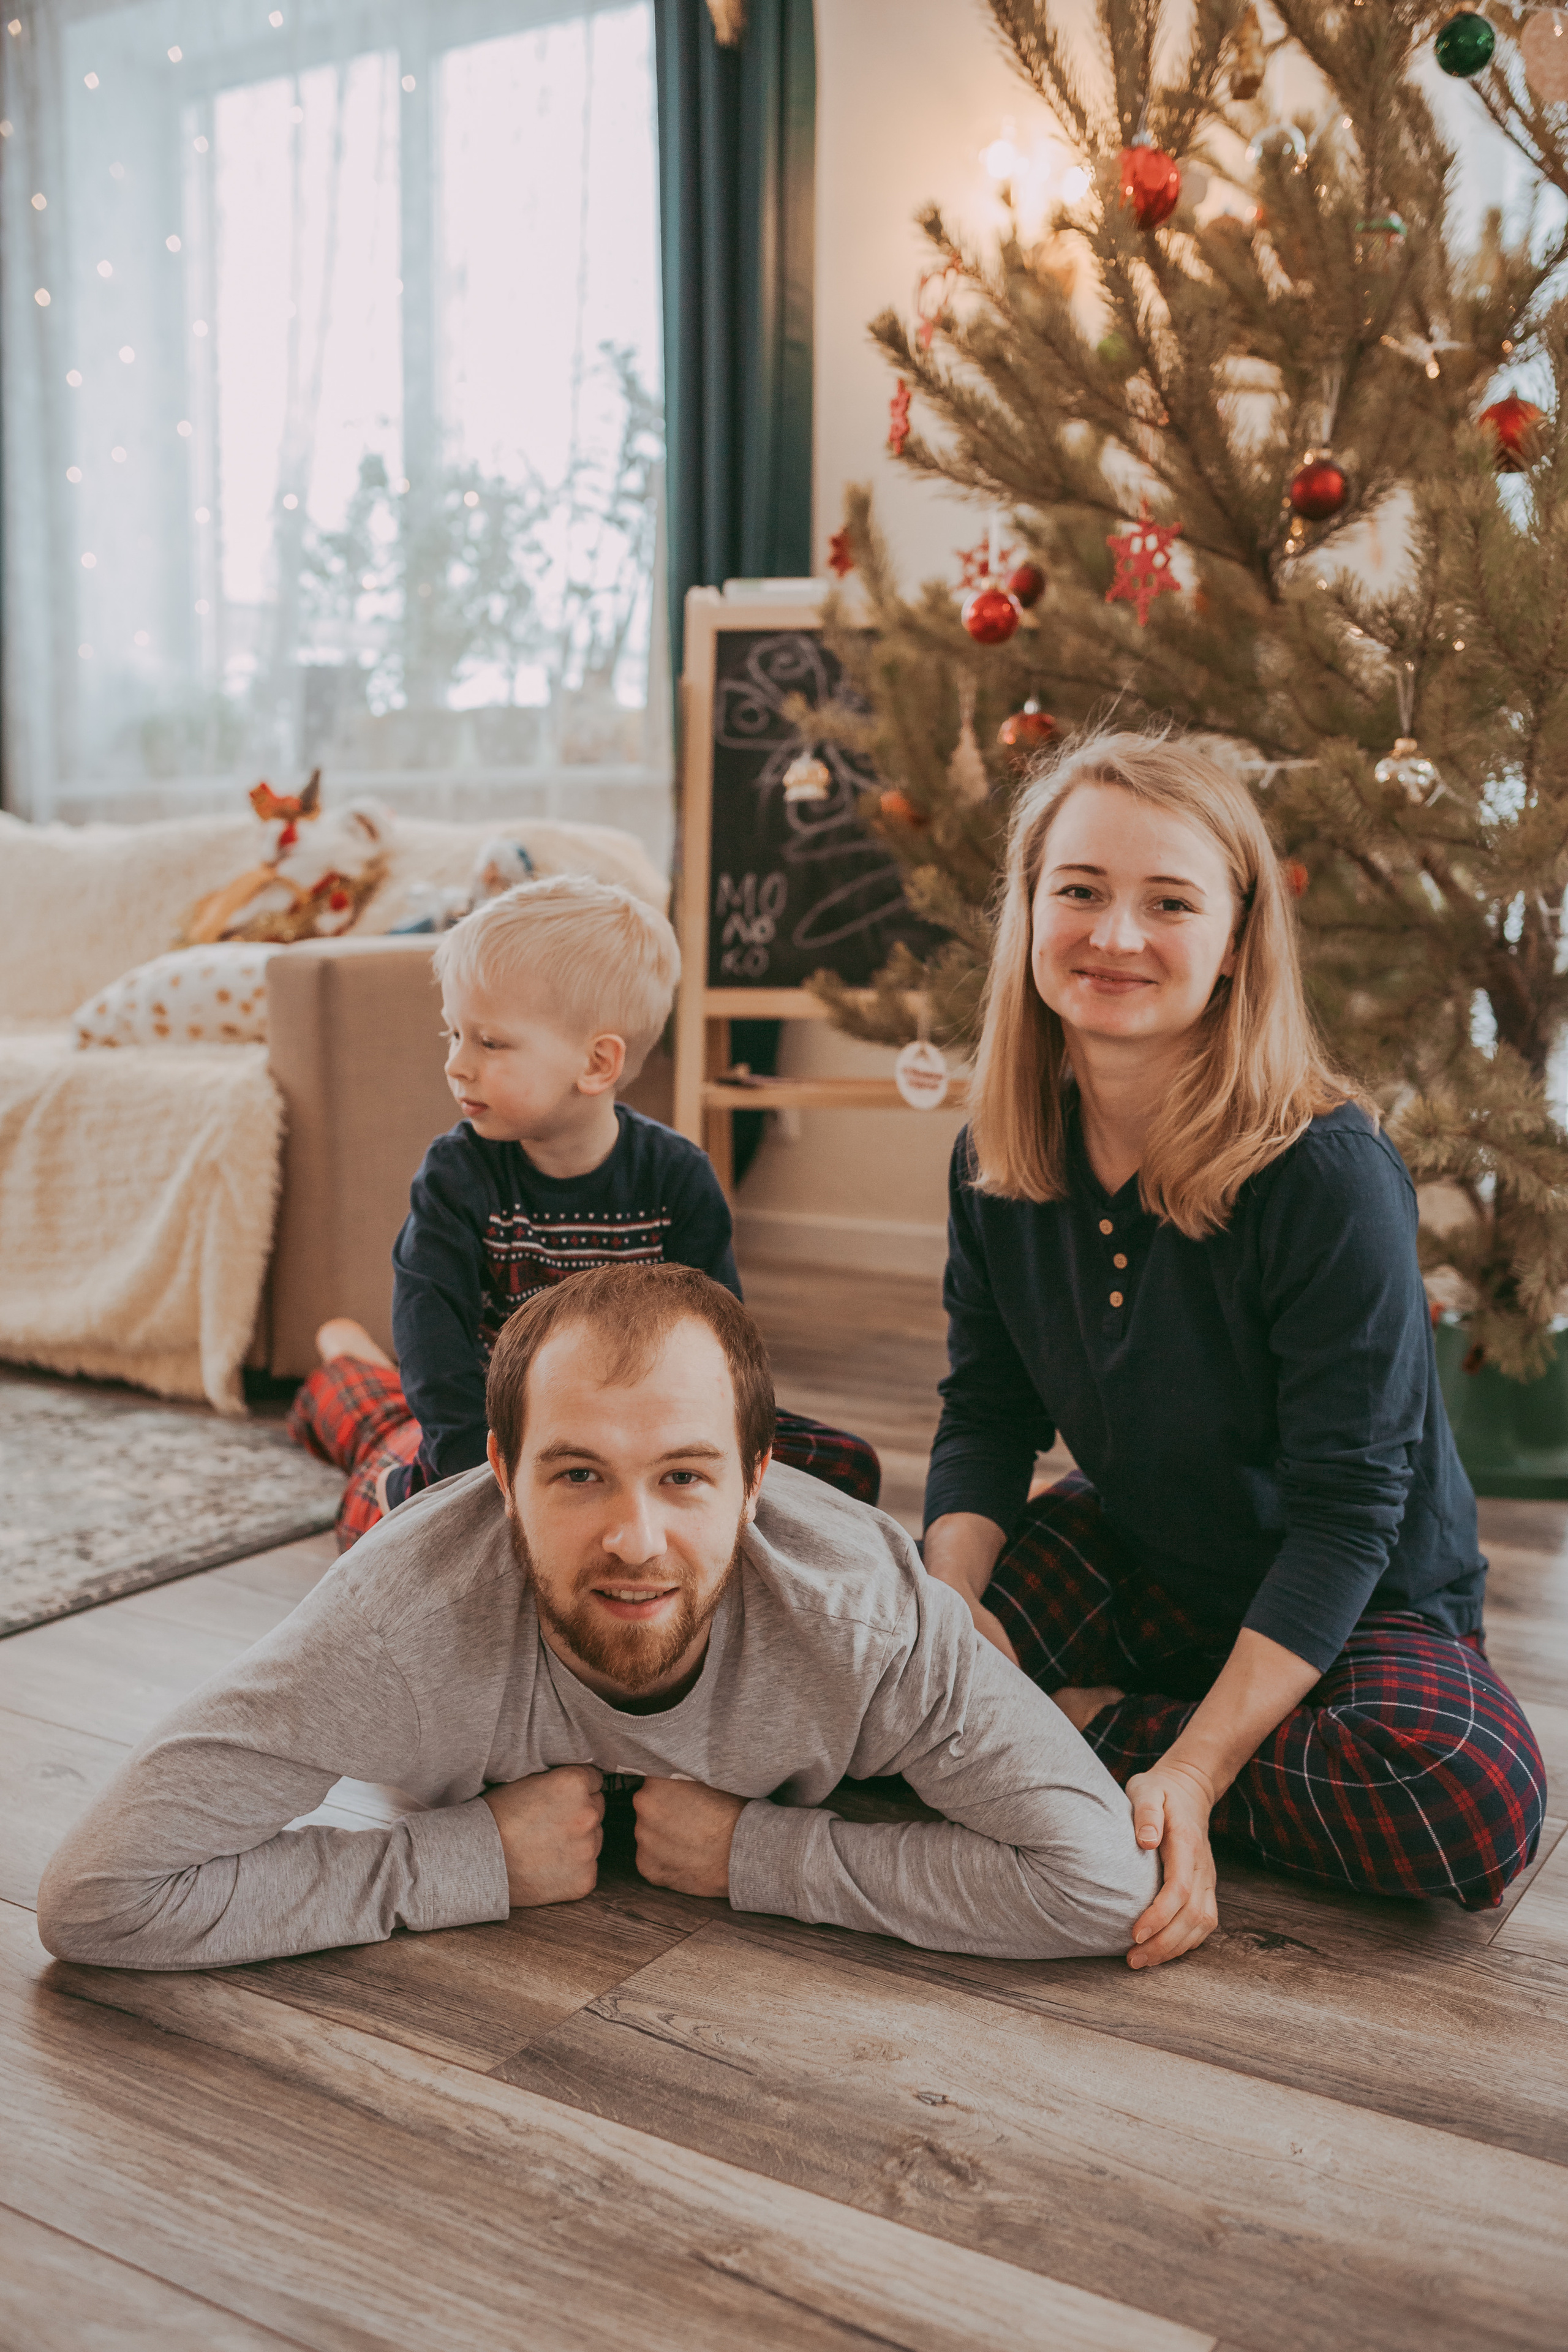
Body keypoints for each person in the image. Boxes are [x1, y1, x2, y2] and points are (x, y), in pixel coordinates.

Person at [37, 1263, 1157, 1972]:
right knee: (380, 1452)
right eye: (577, 1475)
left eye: (684, 1477)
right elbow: (97, 1901)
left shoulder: (865, 1620)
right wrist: (458, 1862)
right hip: (413, 1516)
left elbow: (1098, 1884)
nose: (633, 1541)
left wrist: (761, 1857)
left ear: (758, 1480)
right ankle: (352, 1379)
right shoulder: (394, 1621)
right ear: (504, 1475)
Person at [921, 728, 1548, 1970]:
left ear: (1231, 942)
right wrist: (943, 1623)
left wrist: (1194, 1771)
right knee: (868, 1677)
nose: (1113, 936)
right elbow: (986, 1418)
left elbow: (1345, 1515)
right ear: (1028, 911)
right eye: (1079, 892)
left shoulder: (1324, 1173)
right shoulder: (995, 1159)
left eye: (1167, 902)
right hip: (1143, 1547)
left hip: (1355, 1600)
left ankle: (1101, 1735)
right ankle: (1074, 1721)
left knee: (1470, 1803)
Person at [287, 874, 877, 1545]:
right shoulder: (456, 1176)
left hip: (640, 1432)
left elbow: (717, 1349)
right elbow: (433, 1344)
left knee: (848, 1467)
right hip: (497, 1429)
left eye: (490, 1042)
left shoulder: (678, 1178)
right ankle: (348, 1365)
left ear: (596, 1064)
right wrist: (472, 1478)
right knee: (383, 1521)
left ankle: (369, 1375)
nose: (456, 1065)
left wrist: (705, 1461)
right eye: (453, 1035)